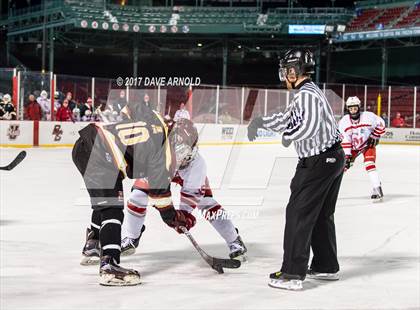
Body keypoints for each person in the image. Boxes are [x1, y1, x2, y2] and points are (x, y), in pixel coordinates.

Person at [247, 49, 344, 290]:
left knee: (298, 214)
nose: (283, 75)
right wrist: (262, 122)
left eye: (285, 70)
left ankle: (292, 273)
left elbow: (306, 126)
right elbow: (288, 117)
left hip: (318, 162)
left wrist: (291, 136)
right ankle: (325, 266)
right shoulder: (309, 92)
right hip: (331, 159)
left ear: (293, 71)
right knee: (320, 215)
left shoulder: (306, 96)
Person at [72, 101, 192, 286]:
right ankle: (109, 265)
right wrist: (173, 217)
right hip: (102, 153)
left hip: (85, 144)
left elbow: (131, 107)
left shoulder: (156, 121)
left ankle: (93, 244)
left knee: (104, 203)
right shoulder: (164, 151)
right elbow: (160, 195)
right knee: (113, 209)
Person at [119, 118, 247, 260]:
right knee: (137, 196)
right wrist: (165, 208)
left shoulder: (197, 164)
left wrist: (183, 217)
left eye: (190, 149)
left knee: (207, 203)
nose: (186, 157)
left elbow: (191, 196)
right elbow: (156, 192)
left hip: (181, 173)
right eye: (182, 150)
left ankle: (234, 239)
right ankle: (131, 237)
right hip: (161, 168)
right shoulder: (156, 152)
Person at [339, 96, 386, 201]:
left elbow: (382, 125)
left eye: (355, 108)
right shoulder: (344, 122)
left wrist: (374, 136)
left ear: (359, 107)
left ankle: (377, 187)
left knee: (369, 164)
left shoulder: (368, 117)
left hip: (367, 145)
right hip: (353, 148)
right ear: (347, 109)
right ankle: (328, 189)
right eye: (350, 108)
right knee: (342, 168)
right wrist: (347, 156)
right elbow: (346, 139)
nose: (353, 111)